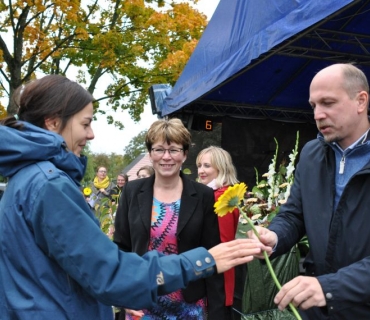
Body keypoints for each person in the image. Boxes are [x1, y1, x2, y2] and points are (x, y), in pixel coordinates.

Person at [0, 75, 271, 320]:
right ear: (54, 121)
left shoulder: (25, 178)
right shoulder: (49, 185)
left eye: (174, 150)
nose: (91, 134)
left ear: (184, 154)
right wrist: (201, 262)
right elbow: (111, 269)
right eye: (85, 123)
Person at [251, 63, 370, 319]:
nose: (318, 114)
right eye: (314, 106)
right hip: (317, 309)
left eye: (327, 103)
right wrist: (275, 237)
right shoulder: (311, 154)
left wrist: (329, 287)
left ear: (361, 101)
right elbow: (294, 214)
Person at [114, 119, 230, 319]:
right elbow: (121, 249)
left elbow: (212, 255)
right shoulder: (132, 192)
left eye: (174, 150)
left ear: (185, 154)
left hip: (189, 307)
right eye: (159, 149)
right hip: (142, 304)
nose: (166, 157)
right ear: (150, 154)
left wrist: (218, 312)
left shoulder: (203, 196)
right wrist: (122, 297)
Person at [197, 146, 240, 318]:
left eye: (207, 166)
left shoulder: (222, 198)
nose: (201, 170)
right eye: (199, 165)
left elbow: (224, 242)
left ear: (221, 168)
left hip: (215, 274)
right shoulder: (209, 194)